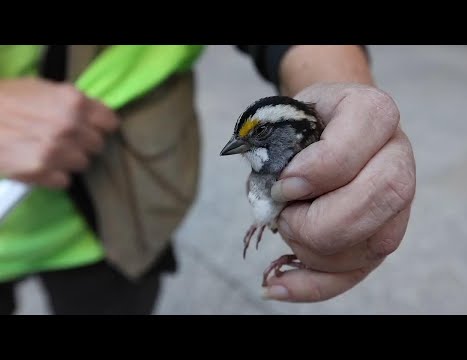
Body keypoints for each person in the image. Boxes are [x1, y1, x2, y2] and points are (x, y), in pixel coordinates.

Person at [0, 45, 415, 314]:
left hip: (125, 225)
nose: (240, 147)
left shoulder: (307, 154)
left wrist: (353, 119)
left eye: (259, 135)